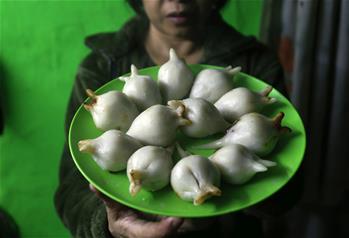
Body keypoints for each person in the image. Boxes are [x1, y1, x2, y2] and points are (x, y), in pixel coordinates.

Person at [55, 0, 302, 237]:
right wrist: (107, 225)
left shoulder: (256, 63)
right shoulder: (100, 66)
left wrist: (231, 207)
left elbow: (289, 187)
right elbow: (70, 193)